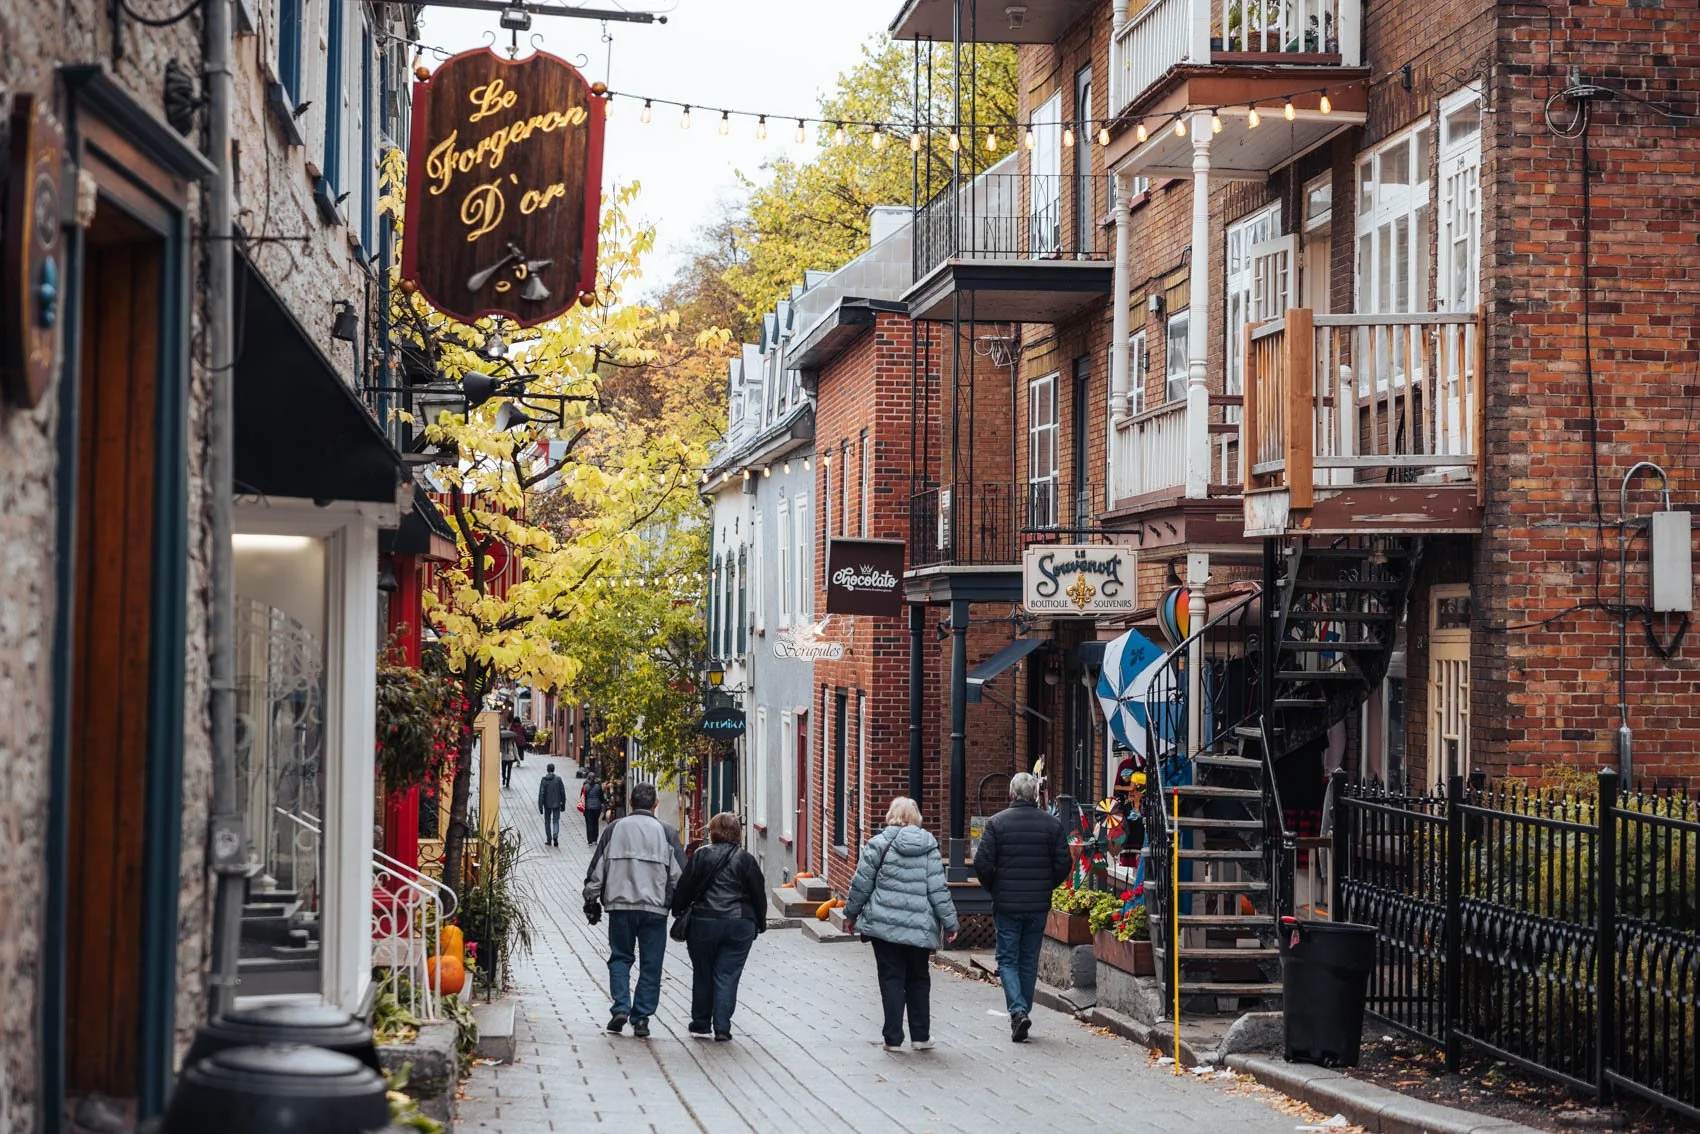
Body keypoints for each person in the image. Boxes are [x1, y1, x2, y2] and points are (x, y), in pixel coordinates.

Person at [843, 797, 959, 1052]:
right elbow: (938, 889)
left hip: (884, 927)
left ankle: (893, 1038)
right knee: (918, 978)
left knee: (891, 978)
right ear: (915, 818)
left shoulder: (877, 845)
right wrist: (950, 923)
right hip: (919, 926)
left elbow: (861, 884)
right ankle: (920, 1036)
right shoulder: (929, 847)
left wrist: (851, 914)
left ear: (891, 816)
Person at [974, 771, 1070, 1043]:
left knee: (1007, 958)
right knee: (1028, 959)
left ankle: (1017, 1011)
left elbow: (983, 863)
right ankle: (1022, 1011)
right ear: (1036, 796)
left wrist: (994, 887)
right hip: (1037, 903)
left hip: (1006, 903)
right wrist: (1047, 884)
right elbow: (1064, 863)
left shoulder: (996, 824)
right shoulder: (1051, 825)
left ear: (1011, 795)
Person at [583, 782, 685, 1037]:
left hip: (620, 905)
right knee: (651, 963)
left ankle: (620, 1007)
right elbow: (679, 876)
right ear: (655, 804)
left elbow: (598, 869)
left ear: (630, 802)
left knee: (620, 957)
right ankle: (641, 1017)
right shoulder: (667, 832)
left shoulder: (614, 829)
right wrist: (682, 906)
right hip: (654, 909)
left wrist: (591, 899)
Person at [670, 812, 766, 1041]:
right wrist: (759, 923)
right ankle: (722, 1027)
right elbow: (758, 895)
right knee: (727, 974)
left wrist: (678, 910)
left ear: (712, 832)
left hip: (703, 923)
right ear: (737, 833)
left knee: (703, 972)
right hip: (739, 924)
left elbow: (685, 888)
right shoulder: (746, 859)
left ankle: (701, 1022)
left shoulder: (702, 856)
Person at [537, 763, 568, 847]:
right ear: (553, 769)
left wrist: (540, 806)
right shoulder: (558, 779)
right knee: (555, 820)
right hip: (557, 803)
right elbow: (562, 792)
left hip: (547, 804)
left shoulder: (544, 780)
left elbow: (541, 793)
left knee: (547, 821)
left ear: (547, 769)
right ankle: (555, 834)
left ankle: (549, 839)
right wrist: (563, 803)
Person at [582, 775, 605, 843]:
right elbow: (601, 797)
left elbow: (582, 797)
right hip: (597, 808)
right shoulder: (598, 786)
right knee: (595, 822)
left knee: (589, 823)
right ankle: (595, 838)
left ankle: (590, 840)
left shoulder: (585, 787)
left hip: (588, 808)